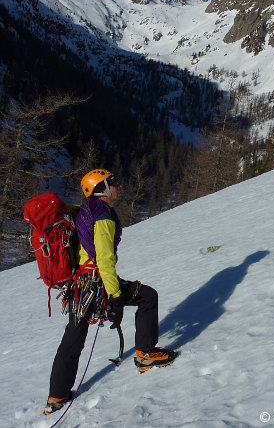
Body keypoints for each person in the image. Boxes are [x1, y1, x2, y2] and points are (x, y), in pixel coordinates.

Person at [44, 169, 176, 415]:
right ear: (100, 188)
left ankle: (57, 395)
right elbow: (104, 258)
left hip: (81, 285)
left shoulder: (86, 209)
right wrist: (115, 296)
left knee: (73, 337)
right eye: (113, 183)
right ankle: (146, 354)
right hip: (96, 283)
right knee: (148, 296)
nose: (119, 186)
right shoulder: (102, 216)